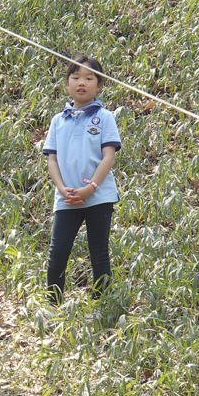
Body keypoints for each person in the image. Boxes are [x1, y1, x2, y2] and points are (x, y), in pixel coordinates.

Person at [42, 55, 122, 305]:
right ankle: (53, 305)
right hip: (66, 198)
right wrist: (61, 188)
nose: (81, 82)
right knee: (57, 253)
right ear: (67, 83)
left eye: (89, 78)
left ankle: (101, 304)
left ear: (99, 86)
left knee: (98, 253)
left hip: (99, 196)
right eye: (75, 77)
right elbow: (51, 159)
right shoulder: (58, 120)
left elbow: (108, 157)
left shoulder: (104, 117)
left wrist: (90, 188)